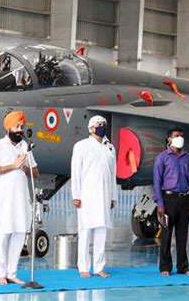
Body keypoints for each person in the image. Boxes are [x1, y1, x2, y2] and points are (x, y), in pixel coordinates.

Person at [0, 111, 39, 285]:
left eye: (22, 127)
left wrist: (23, 168)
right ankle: (1, 274)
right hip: (3, 200)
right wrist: (13, 166)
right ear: (8, 127)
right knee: (3, 235)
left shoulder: (25, 147)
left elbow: (35, 171)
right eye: (17, 126)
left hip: (21, 198)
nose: (20, 130)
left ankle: (12, 272)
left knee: (19, 233)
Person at [71, 115, 117, 278]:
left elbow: (113, 174)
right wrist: (76, 195)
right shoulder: (81, 146)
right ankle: (83, 267)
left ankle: (99, 267)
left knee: (101, 231)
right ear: (91, 128)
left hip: (104, 196)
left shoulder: (110, 148)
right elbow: (76, 172)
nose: (102, 127)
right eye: (99, 124)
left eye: (104, 124)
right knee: (85, 231)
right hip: (86, 196)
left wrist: (113, 196)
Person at [153, 126, 189, 276]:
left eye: (181, 135)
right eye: (177, 135)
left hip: (184, 198)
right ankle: (165, 267)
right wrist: (160, 203)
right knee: (166, 234)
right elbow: (157, 182)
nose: (180, 138)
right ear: (169, 139)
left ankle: (183, 267)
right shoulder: (162, 157)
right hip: (168, 198)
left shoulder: (187, 157)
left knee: (182, 235)